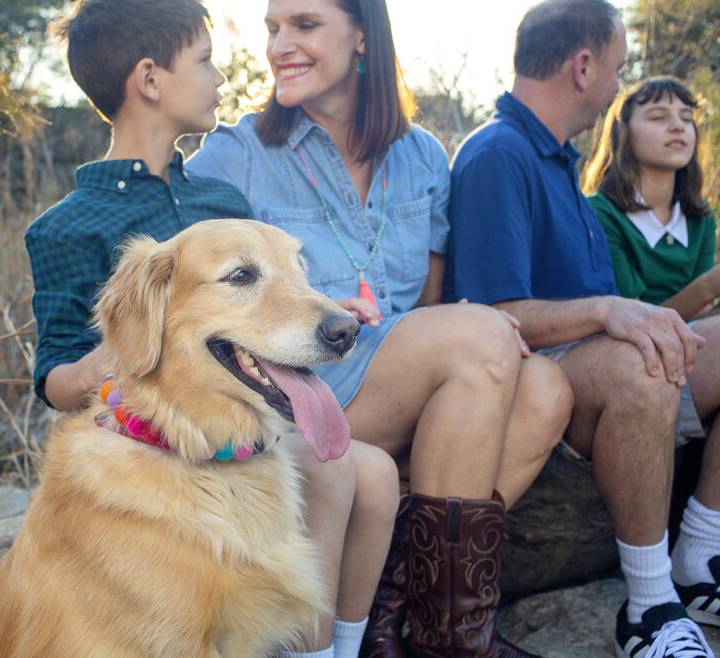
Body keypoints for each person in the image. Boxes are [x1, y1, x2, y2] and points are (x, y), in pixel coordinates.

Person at [187, 0, 573, 655]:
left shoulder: (423, 157)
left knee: (546, 388)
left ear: (364, 36)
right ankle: (450, 638)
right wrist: (308, 305)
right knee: (479, 337)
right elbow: (196, 300)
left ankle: (410, 610)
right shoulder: (236, 155)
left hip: (388, 384)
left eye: (304, 25)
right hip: (289, 389)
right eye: (273, 29)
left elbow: (424, 306)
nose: (281, 45)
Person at [24, 2, 399, 656]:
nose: (223, 76)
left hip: (241, 430)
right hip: (153, 448)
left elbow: (255, 294)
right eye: (205, 60)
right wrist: (137, 336)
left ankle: (343, 646)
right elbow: (56, 378)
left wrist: (317, 307)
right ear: (150, 79)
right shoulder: (65, 226)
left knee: (376, 475)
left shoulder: (218, 203)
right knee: (339, 473)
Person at [445, 1, 720, 656]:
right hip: (547, 382)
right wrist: (613, 312)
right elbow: (485, 316)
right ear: (584, 67)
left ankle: (701, 561)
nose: (616, 84)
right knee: (637, 361)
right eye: (617, 68)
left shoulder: (562, 167)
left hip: (602, 367)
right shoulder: (498, 154)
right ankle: (650, 604)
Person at [581, 75, 720, 565]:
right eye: (658, 116)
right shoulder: (600, 214)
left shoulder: (699, 217)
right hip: (636, 352)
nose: (678, 126)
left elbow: (704, 313)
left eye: (687, 117)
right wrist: (715, 285)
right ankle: (701, 516)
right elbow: (629, 317)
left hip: (687, 340)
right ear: (623, 133)